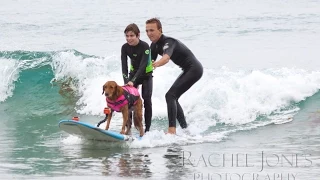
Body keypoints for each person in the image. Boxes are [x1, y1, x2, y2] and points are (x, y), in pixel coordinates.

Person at [145, 18, 203, 134]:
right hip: (187, 70)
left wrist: (156, 64)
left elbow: (166, 58)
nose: (149, 33)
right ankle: (185, 129)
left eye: (152, 30)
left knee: (170, 95)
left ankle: (172, 130)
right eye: (147, 31)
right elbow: (148, 65)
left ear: (160, 30)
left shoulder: (169, 42)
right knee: (172, 96)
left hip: (194, 69)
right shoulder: (154, 46)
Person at [121, 23, 153, 132]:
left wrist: (133, 81)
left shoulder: (145, 46)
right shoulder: (124, 48)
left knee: (147, 98)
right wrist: (127, 81)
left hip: (146, 75)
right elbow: (124, 66)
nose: (129, 38)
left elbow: (143, 65)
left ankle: (147, 129)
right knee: (127, 100)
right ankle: (128, 128)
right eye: (127, 36)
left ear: (138, 35)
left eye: (131, 36)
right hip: (132, 74)